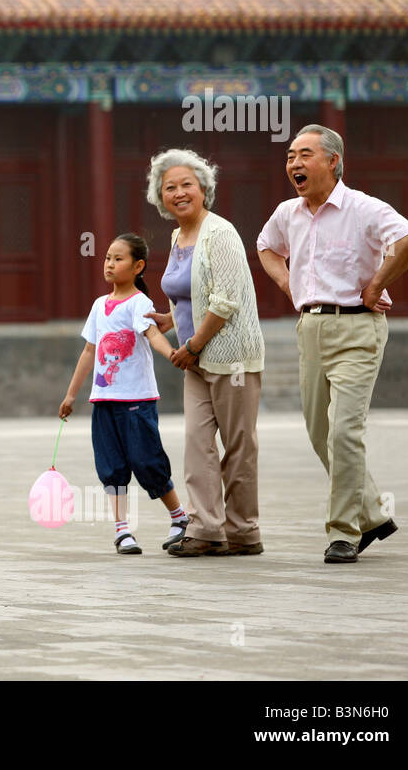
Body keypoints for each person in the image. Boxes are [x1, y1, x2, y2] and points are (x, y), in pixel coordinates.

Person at [257, 124, 408, 564]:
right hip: (310, 330)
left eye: (305, 154)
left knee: (346, 432)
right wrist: (289, 286)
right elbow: (266, 247)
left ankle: (343, 532)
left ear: (333, 161)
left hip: (357, 328)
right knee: (319, 432)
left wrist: (377, 285)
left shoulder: (364, 208)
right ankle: (373, 514)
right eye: (291, 155)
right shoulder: (287, 212)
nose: (294, 163)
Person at [142, 149, 266, 557]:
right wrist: (170, 321)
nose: (179, 193)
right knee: (197, 444)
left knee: (238, 446)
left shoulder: (221, 233)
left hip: (230, 358)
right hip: (195, 360)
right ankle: (206, 529)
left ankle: (244, 531)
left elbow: (225, 301)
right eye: (170, 188)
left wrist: (191, 345)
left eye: (186, 185)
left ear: (203, 190)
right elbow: (191, 296)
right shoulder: (178, 236)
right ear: (161, 198)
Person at [60, 234, 189, 554]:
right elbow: (89, 352)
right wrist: (71, 395)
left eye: (118, 259)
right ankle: (122, 530)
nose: (110, 264)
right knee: (111, 465)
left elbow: (152, 334)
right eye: (107, 258)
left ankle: (179, 517)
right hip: (104, 401)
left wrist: (171, 353)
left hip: (137, 400)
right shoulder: (98, 306)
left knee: (148, 461)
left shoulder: (139, 304)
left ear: (138, 266)